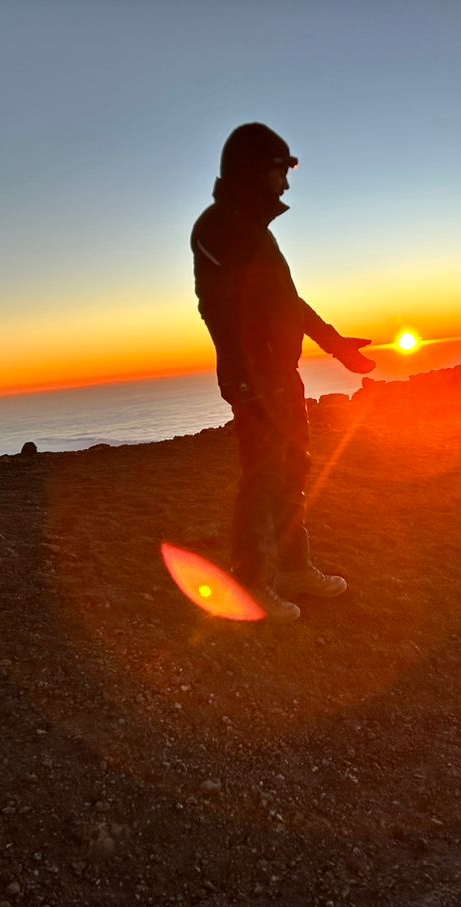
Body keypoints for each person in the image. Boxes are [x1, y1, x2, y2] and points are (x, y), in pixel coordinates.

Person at [191, 122, 376, 622]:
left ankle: (295, 569)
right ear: (256, 170)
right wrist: (245, 376)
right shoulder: (219, 228)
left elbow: (286, 303)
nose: (286, 184)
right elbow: (217, 309)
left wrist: (336, 346)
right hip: (256, 380)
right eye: (280, 170)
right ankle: (250, 585)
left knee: (293, 471)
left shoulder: (252, 231)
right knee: (263, 477)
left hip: (280, 374)